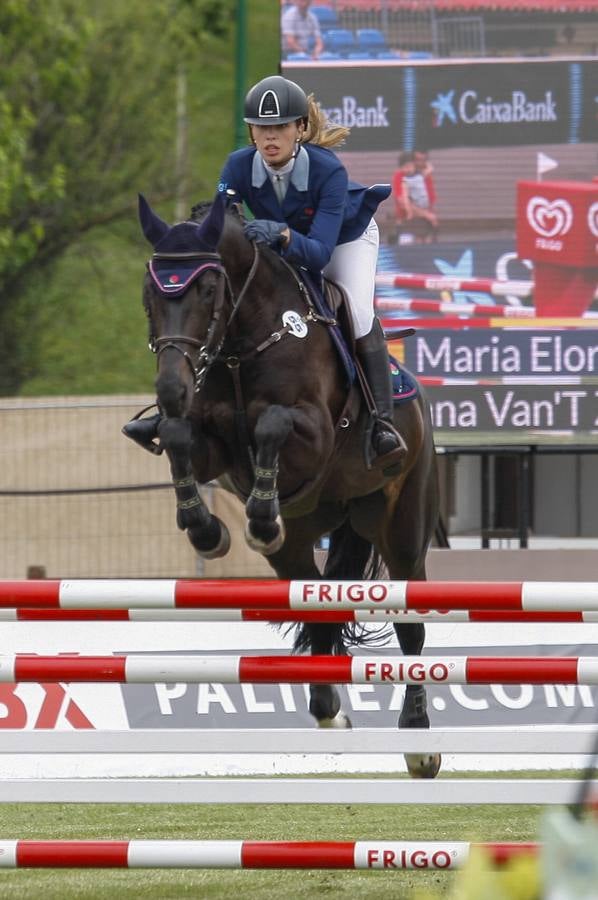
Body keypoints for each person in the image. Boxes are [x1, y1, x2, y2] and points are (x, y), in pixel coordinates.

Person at [125, 75, 405, 474]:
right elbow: (223, 225)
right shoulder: (238, 165)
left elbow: (320, 253)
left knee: (357, 312)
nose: (269, 137)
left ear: (300, 130)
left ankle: (381, 422)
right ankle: (174, 409)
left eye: (280, 127)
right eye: (261, 128)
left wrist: (284, 234)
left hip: (345, 239)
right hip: (285, 239)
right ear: (251, 131)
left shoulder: (328, 171)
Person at [392, 149, 438, 243]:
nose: (420, 162)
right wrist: (424, 214)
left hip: (424, 223)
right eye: (418, 159)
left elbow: (430, 199)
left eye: (423, 160)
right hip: (407, 221)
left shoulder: (423, 176)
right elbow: (402, 201)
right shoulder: (400, 176)